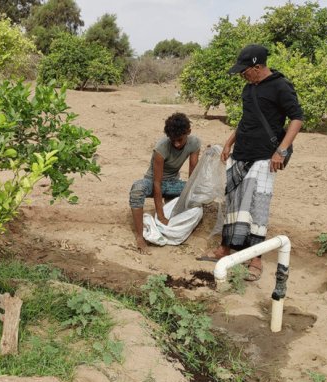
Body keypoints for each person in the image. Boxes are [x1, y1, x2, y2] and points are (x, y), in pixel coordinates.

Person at [201, 44, 303, 281]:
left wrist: (281, 150)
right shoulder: (248, 89)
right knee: (232, 203)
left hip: (265, 157)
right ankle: (224, 249)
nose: (242, 75)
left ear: (258, 67)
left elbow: (297, 118)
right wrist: (228, 143)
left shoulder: (281, 86)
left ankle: (255, 259)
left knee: (257, 207)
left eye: (244, 71)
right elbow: (246, 120)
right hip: (241, 154)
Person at [129, 112, 201, 253]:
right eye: (173, 139)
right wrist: (160, 215)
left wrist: (192, 193)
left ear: (188, 132)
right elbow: (157, 183)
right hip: (153, 181)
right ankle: (139, 237)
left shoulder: (194, 143)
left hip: (173, 183)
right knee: (137, 189)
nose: (176, 143)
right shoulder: (161, 148)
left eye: (180, 140)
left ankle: (172, 219)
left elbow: (193, 176)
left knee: (198, 193)